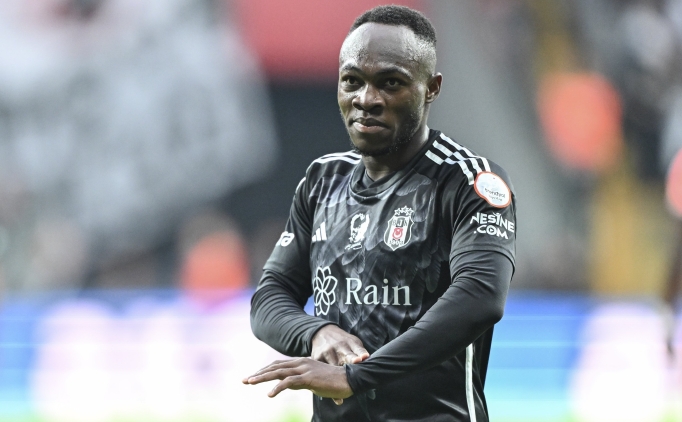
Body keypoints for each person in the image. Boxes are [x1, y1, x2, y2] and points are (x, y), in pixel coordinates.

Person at [242, 5, 516, 421]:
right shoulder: (322, 182)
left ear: (431, 88)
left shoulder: (467, 181)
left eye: (391, 83)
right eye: (352, 81)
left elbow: (479, 299)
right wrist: (315, 331)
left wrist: (356, 377)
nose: (366, 99)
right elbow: (269, 297)